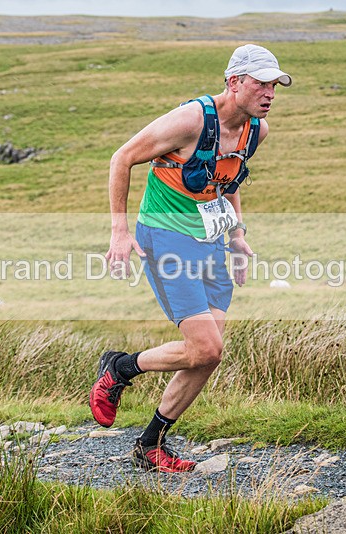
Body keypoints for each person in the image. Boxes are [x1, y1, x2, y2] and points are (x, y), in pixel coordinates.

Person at [89, 44, 291, 473]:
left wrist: (237, 234)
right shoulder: (191, 120)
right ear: (234, 82)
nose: (270, 92)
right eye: (261, 83)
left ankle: (150, 445)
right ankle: (120, 368)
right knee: (205, 346)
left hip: (211, 240)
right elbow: (121, 158)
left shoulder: (258, 130)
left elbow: (228, 178)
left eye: (275, 84)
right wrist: (119, 233)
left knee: (208, 355)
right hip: (166, 237)